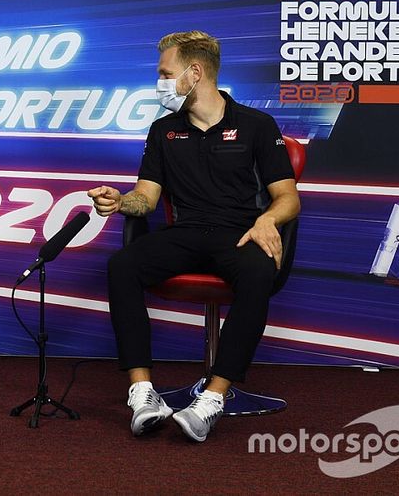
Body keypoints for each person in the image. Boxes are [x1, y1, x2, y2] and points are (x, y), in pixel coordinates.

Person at [88, 31, 299, 440]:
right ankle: (143, 392)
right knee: (122, 265)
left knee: (258, 272)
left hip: (239, 234)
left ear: (194, 72)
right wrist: (120, 202)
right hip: (185, 233)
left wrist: (267, 220)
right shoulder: (164, 131)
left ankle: (212, 399)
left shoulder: (257, 125)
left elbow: (287, 198)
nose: (159, 83)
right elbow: (146, 199)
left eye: (165, 73)